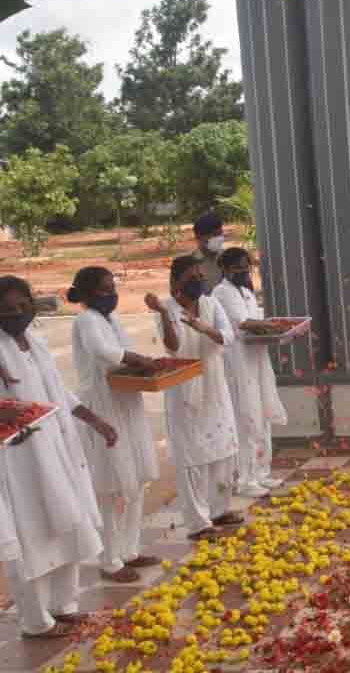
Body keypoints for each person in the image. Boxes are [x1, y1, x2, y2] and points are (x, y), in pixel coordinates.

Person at [0, 276, 108, 639]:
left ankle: (65, 606)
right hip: (18, 461)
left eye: (21, 306)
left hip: (58, 450)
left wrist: (93, 420)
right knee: (31, 535)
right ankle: (35, 620)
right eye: (7, 309)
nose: (16, 314)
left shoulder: (36, 342)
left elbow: (57, 392)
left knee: (67, 522)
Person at [68, 267, 163, 584]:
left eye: (113, 287)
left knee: (136, 479)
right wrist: (140, 359)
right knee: (111, 486)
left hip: (126, 399)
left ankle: (130, 550)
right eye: (104, 290)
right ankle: (109, 560)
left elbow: (122, 355)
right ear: (87, 294)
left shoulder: (112, 320)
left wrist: (144, 363)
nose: (111, 294)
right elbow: (106, 353)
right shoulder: (85, 321)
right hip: (103, 406)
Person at [145, 257, 243, 541]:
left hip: (214, 384)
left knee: (223, 450)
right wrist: (164, 313)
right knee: (192, 458)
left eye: (200, 274)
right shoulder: (167, 308)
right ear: (176, 283)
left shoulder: (212, 304)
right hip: (184, 388)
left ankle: (219, 509)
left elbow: (227, 336)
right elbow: (172, 345)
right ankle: (198, 522)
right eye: (191, 276)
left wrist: (202, 327)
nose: (198, 280)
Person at [213, 248, 287, 498]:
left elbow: (257, 321)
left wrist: (276, 328)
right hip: (239, 364)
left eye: (247, 267)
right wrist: (275, 325)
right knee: (246, 418)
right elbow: (243, 323)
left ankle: (262, 472)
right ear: (225, 269)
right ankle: (245, 478)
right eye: (239, 268)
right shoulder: (222, 292)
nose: (244, 272)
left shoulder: (245, 291)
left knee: (263, 414)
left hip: (257, 360)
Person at [191, 212, 226, 293]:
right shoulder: (190, 263)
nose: (219, 238)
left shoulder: (228, 257)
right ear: (199, 237)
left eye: (220, 233)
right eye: (214, 234)